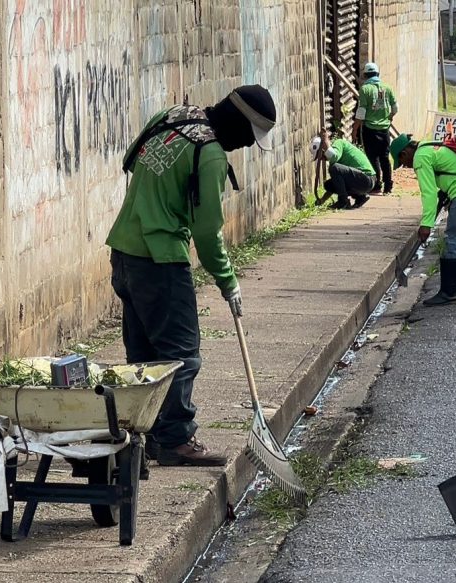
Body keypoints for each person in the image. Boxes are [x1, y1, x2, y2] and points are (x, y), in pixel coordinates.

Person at [107, 85, 277, 466]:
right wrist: (228, 281)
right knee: (182, 355)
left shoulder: (172, 117)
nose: (248, 146)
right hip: (161, 260)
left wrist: (164, 193)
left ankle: (143, 436)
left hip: (124, 252)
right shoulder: (211, 154)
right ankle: (176, 439)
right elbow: (207, 232)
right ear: (238, 123)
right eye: (250, 137)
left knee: (144, 355)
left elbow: (130, 161)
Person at [389, 133, 456, 306]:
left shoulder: (420, 158)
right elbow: (450, 172)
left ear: (405, 152)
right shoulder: (432, 146)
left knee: (453, 240)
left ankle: (449, 292)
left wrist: (426, 224)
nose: (406, 167)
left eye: (403, 162)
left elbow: (428, 194)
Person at [352, 62, 398, 194]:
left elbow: (361, 113)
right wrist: (389, 117)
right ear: (378, 74)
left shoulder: (365, 90)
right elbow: (395, 108)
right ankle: (388, 187)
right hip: (384, 130)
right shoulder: (387, 88)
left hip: (370, 130)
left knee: (373, 158)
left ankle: (377, 186)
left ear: (365, 75)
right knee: (384, 157)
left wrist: (354, 130)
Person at [311, 131, 375, 209]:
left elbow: (334, 156)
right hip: (362, 181)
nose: (323, 160)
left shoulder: (338, 143)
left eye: (321, 157)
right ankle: (361, 197)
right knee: (329, 185)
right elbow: (338, 183)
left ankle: (343, 201)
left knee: (334, 167)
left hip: (367, 179)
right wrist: (322, 200)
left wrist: (325, 142)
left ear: (323, 149)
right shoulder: (336, 160)